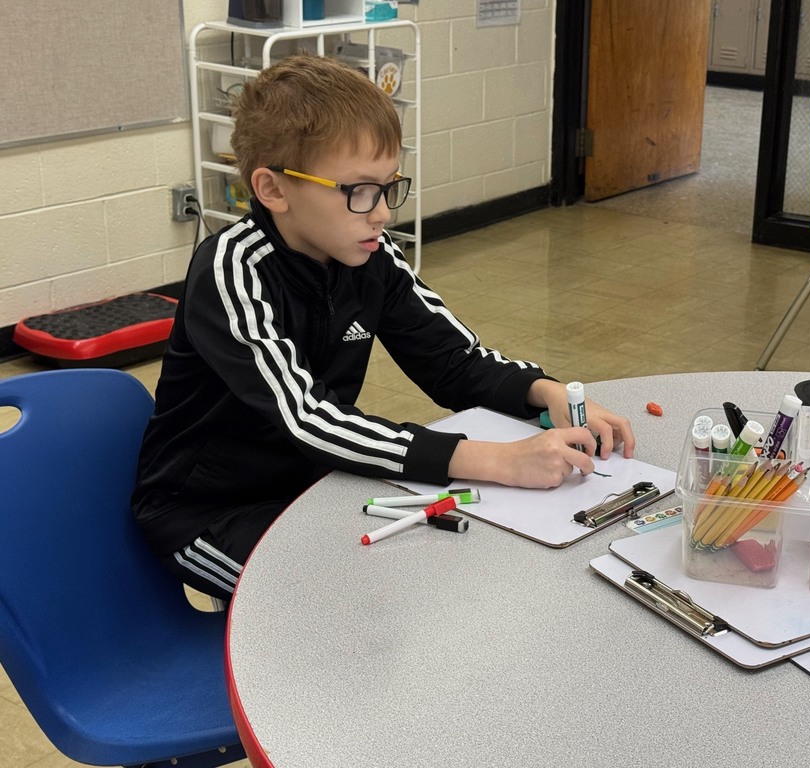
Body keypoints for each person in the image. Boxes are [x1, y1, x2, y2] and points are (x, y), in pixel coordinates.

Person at [132, 53, 635, 601]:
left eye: (389, 186)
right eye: (359, 191)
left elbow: (454, 362)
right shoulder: (230, 270)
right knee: (340, 604)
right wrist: (498, 460)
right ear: (274, 190)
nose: (382, 214)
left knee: (427, 579)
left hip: (318, 485)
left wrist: (547, 393)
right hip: (207, 511)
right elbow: (310, 420)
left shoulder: (371, 257)